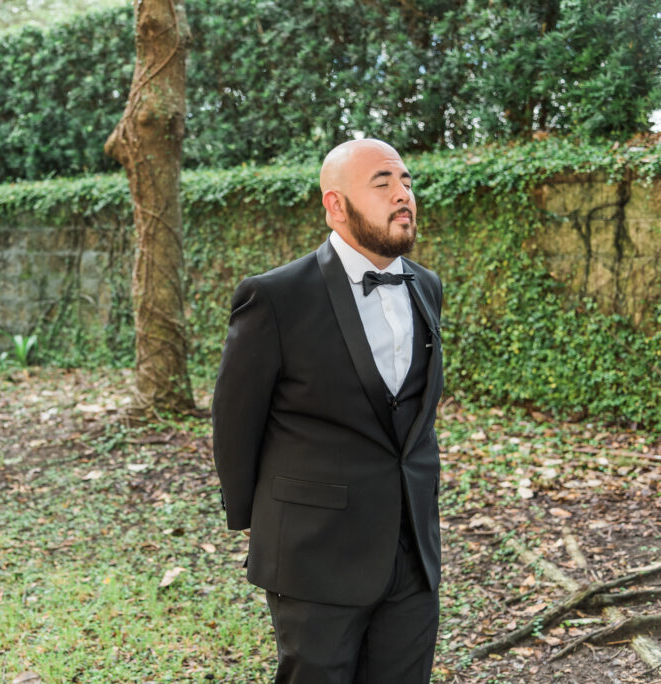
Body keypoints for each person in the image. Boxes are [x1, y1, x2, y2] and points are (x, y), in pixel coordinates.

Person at [212, 139, 444, 683]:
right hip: (314, 553)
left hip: (412, 548)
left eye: (406, 181)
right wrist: (263, 524)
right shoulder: (274, 298)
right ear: (336, 206)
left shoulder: (427, 287)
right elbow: (234, 423)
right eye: (382, 183)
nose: (403, 194)